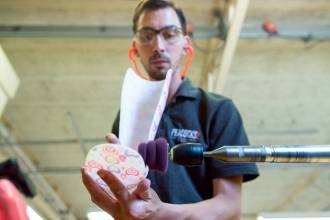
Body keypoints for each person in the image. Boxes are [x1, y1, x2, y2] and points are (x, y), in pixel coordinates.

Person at [82, 1, 259, 219]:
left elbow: (230, 207)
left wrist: (161, 213)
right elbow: (128, 200)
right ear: (135, 47)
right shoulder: (127, 116)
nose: (158, 46)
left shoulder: (218, 110)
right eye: (147, 35)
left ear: (186, 43)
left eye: (170, 33)